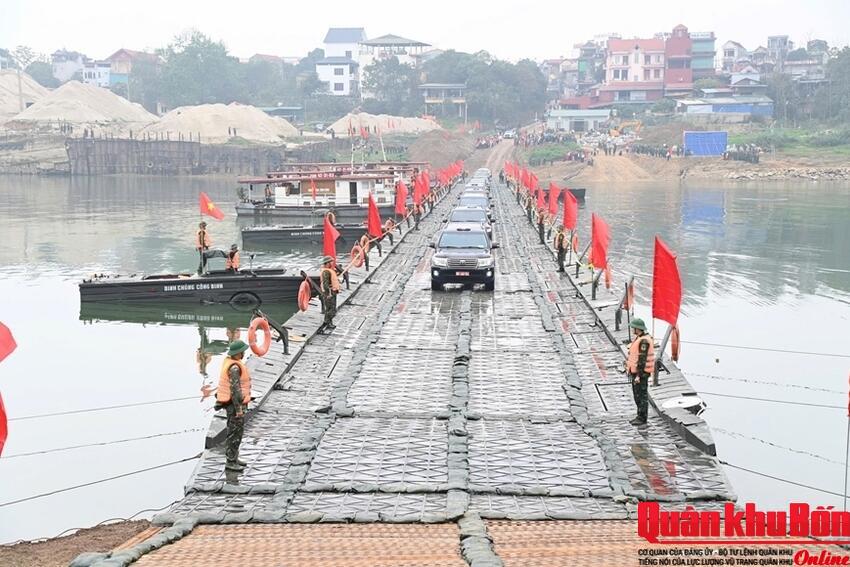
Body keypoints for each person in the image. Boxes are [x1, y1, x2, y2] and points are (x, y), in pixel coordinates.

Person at [215, 340, 252, 471]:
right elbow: (235, 390)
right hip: (234, 406)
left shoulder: (232, 363)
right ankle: (230, 461)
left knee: (237, 433)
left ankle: (234, 457)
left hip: (234, 404)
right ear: (237, 353)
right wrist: (238, 410)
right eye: (242, 351)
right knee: (234, 434)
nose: (243, 353)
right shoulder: (235, 368)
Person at [626, 318, 655, 426]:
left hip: (641, 373)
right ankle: (639, 415)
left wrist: (638, 375)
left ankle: (642, 417)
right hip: (636, 372)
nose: (632, 329)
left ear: (638, 329)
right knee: (637, 395)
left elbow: (642, 359)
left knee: (641, 396)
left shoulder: (644, 341)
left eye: (634, 327)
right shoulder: (639, 338)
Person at [320, 256, 340, 332]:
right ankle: (327, 322)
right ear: (327, 263)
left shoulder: (329, 271)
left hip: (332, 292)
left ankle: (329, 322)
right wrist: (329, 293)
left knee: (330, 308)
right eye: (331, 262)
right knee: (331, 309)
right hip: (329, 293)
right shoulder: (326, 272)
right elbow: (325, 284)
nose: (332, 263)